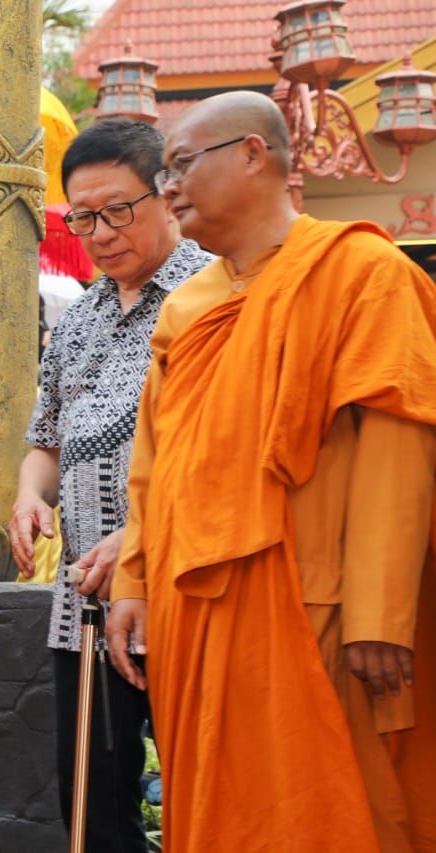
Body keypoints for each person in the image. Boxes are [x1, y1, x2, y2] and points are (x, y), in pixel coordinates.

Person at [106, 91, 436, 851]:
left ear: (255, 155)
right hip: (197, 611)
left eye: (183, 164)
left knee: (337, 804)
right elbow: (154, 462)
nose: (169, 187)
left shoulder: (361, 271)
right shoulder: (189, 307)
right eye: (165, 172)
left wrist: (381, 614)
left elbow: (398, 441)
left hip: (314, 602)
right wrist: (134, 578)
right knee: (221, 809)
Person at [10, 118, 211, 852]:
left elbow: (222, 453)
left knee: (206, 791)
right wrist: (32, 493)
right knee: (93, 800)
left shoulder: (211, 294)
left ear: (167, 196)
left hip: (182, 583)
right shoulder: (78, 319)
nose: (98, 233)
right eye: (82, 216)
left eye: (116, 210)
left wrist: (145, 536)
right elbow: (46, 438)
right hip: (85, 599)